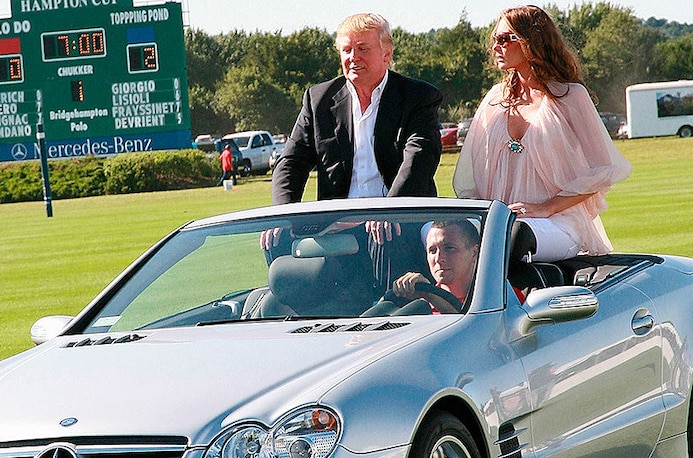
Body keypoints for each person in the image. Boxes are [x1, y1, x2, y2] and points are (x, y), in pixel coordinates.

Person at [452, 5, 631, 261]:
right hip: (499, 223)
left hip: (558, 223)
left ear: (531, 41)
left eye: (504, 39)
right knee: (440, 235)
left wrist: (546, 208)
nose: (495, 47)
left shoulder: (571, 97)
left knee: (513, 238)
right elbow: (470, 180)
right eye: (495, 40)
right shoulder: (494, 100)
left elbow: (603, 170)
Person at [270, 12, 443, 206]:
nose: (354, 57)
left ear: (387, 54)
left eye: (363, 49)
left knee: (445, 236)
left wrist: (389, 212)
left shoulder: (419, 97)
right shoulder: (318, 101)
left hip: (405, 216)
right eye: (347, 50)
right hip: (340, 224)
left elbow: (420, 160)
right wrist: (282, 217)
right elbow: (291, 163)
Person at [363, 219, 479, 315]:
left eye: (449, 248)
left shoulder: (488, 302)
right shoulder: (418, 304)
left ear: (474, 252)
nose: (439, 258)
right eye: (432, 251)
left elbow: (466, 325)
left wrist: (430, 294)